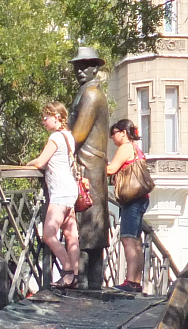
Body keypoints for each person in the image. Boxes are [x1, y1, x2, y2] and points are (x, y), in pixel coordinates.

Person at [68, 47, 111, 288]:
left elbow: (78, 134)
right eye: (78, 66)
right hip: (90, 166)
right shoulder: (87, 92)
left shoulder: (92, 95)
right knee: (90, 226)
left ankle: (87, 285)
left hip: (88, 167)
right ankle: (89, 284)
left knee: (89, 226)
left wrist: (56, 149)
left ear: (95, 68)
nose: (80, 71)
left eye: (85, 66)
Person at [28, 101, 81, 289]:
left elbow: (40, 162)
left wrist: (28, 164)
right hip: (71, 190)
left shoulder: (55, 137)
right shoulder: (68, 136)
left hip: (60, 191)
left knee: (48, 234)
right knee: (70, 235)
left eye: (46, 118)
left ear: (56, 117)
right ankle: (75, 276)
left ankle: (67, 271)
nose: (43, 122)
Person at [108, 118, 151, 293]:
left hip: (132, 199)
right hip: (140, 198)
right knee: (135, 240)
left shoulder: (126, 147)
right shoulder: (136, 149)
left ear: (123, 133)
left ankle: (131, 282)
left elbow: (111, 169)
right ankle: (136, 282)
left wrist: (95, 167)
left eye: (114, 133)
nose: (112, 137)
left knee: (128, 239)